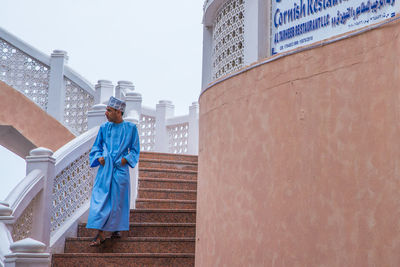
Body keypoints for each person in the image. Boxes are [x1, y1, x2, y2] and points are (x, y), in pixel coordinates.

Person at [86, 96, 140, 246]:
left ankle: (115, 229)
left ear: (118, 111)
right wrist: (99, 157)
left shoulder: (131, 128)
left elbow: (135, 150)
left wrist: (125, 160)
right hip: (105, 170)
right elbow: (96, 147)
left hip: (120, 170)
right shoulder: (104, 128)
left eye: (109, 110)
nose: (106, 113)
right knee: (100, 200)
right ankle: (100, 233)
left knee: (117, 202)